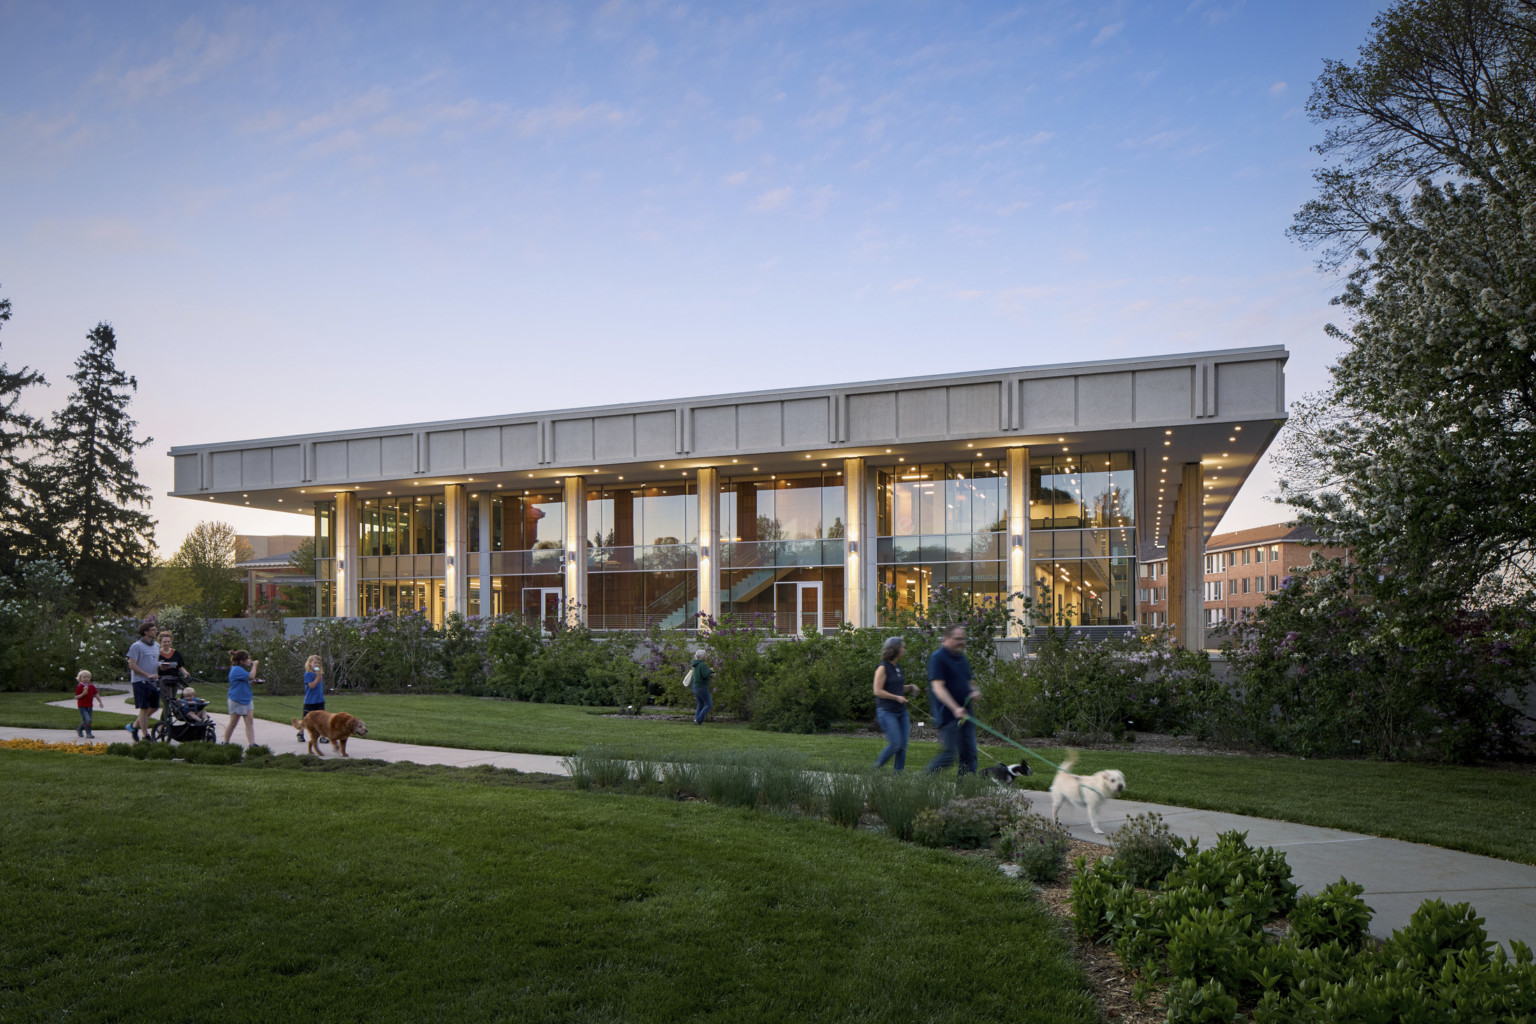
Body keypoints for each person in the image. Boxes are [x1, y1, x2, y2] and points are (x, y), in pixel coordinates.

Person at [925, 624, 978, 776]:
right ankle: (920, 783)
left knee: (969, 754)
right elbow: (938, 687)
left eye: (963, 639)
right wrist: (955, 708)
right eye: (958, 639)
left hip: (966, 713)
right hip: (948, 715)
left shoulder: (961, 659)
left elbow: (968, 681)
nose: (962, 642)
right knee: (949, 755)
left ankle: (966, 794)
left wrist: (974, 691)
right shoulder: (938, 658)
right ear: (947, 639)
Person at [873, 636, 916, 771]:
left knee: (902, 746)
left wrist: (910, 687)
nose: (904, 649)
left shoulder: (898, 667)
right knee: (895, 743)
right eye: (902, 647)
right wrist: (897, 697)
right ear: (895, 649)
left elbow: (895, 687)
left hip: (901, 712)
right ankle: (875, 769)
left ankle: (898, 777)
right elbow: (878, 691)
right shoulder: (883, 668)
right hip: (886, 711)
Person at [125, 621, 160, 742]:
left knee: (154, 707)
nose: (156, 631)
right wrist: (147, 674)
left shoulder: (156, 646)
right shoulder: (136, 646)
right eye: (153, 629)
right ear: (146, 632)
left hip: (153, 681)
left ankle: (134, 726)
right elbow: (132, 665)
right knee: (144, 708)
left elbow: (155, 662)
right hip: (140, 681)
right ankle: (145, 735)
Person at [221, 650, 259, 747]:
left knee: (249, 721)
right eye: (248, 659)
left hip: (246, 699)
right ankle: (225, 742)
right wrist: (255, 665)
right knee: (233, 722)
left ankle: (252, 743)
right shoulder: (236, 669)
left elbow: (244, 681)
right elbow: (251, 676)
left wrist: (251, 683)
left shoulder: (240, 669)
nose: (249, 661)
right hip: (236, 700)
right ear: (241, 661)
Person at [298, 655, 328, 743]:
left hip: (320, 700)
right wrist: (317, 677)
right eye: (315, 663)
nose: (317, 664)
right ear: (310, 664)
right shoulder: (308, 674)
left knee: (322, 719)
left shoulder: (319, 674)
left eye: (318, 663)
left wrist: (318, 674)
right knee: (306, 719)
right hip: (310, 701)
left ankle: (322, 736)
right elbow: (311, 686)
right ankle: (300, 733)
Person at [156, 630, 190, 704]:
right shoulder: (157, 654)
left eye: (168, 641)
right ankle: (167, 715)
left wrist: (186, 674)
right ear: (160, 642)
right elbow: (153, 668)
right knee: (167, 703)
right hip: (162, 681)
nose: (167, 643)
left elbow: (180, 667)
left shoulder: (176, 653)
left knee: (173, 702)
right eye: (164, 642)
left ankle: (167, 716)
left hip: (174, 680)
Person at [75, 670, 102, 738]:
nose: (86, 678)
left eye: (88, 677)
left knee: (88, 720)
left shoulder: (91, 686)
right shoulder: (79, 687)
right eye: (84, 677)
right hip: (82, 706)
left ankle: (79, 729)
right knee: (87, 720)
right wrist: (83, 694)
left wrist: (100, 702)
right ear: (80, 678)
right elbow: (76, 697)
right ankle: (89, 733)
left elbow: (96, 694)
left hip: (90, 706)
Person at [689, 649, 713, 725]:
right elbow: (705, 675)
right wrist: (710, 670)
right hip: (702, 687)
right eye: (705, 655)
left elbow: (700, 675)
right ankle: (698, 720)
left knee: (700, 704)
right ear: (702, 656)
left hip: (695, 686)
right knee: (709, 704)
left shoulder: (695, 664)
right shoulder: (702, 664)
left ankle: (695, 720)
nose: (706, 656)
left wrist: (709, 674)